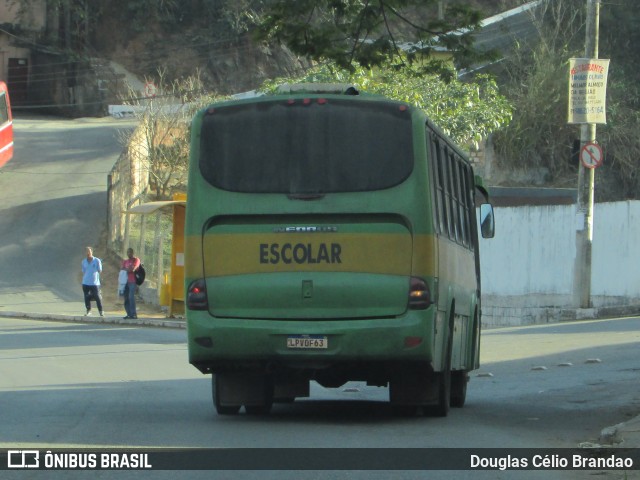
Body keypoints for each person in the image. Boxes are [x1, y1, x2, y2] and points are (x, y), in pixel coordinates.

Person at [81, 246, 104, 317]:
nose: (88, 253)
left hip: (95, 283)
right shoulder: (83, 261)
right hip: (85, 282)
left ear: (92, 252)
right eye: (86, 251)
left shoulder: (97, 260)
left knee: (97, 296)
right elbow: (84, 271)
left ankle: (101, 311)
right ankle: (88, 310)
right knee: (86, 296)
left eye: (89, 251)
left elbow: (100, 270)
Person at [121, 247, 140, 319]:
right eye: (127, 252)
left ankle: (134, 314)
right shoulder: (125, 261)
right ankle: (129, 313)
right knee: (126, 298)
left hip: (133, 281)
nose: (129, 253)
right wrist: (128, 269)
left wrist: (128, 269)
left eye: (130, 252)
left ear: (132, 253)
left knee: (131, 297)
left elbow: (133, 269)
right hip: (125, 281)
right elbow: (122, 269)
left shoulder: (136, 260)